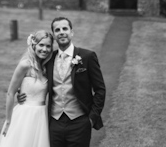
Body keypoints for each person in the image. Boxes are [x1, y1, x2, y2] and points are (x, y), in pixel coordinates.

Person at [19, 16, 106, 147]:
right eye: (57, 30)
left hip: (80, 122)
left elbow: (100, 89)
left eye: (65, 28)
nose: (61, 32)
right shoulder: (48, 59)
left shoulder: (87, 57)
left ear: (71, 32)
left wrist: (91, 119)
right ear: (54, 35)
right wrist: (22, 93)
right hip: (54, 123)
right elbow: (34, 77)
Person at [0, 30, 54, 147]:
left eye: (48, 46)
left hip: (42, 115)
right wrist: (8, 120)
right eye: (41, 45)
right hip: (25, 115)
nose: (44, 49)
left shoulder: (46, 68)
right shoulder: (25, 65)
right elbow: (10, 93)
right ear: (34, 45)